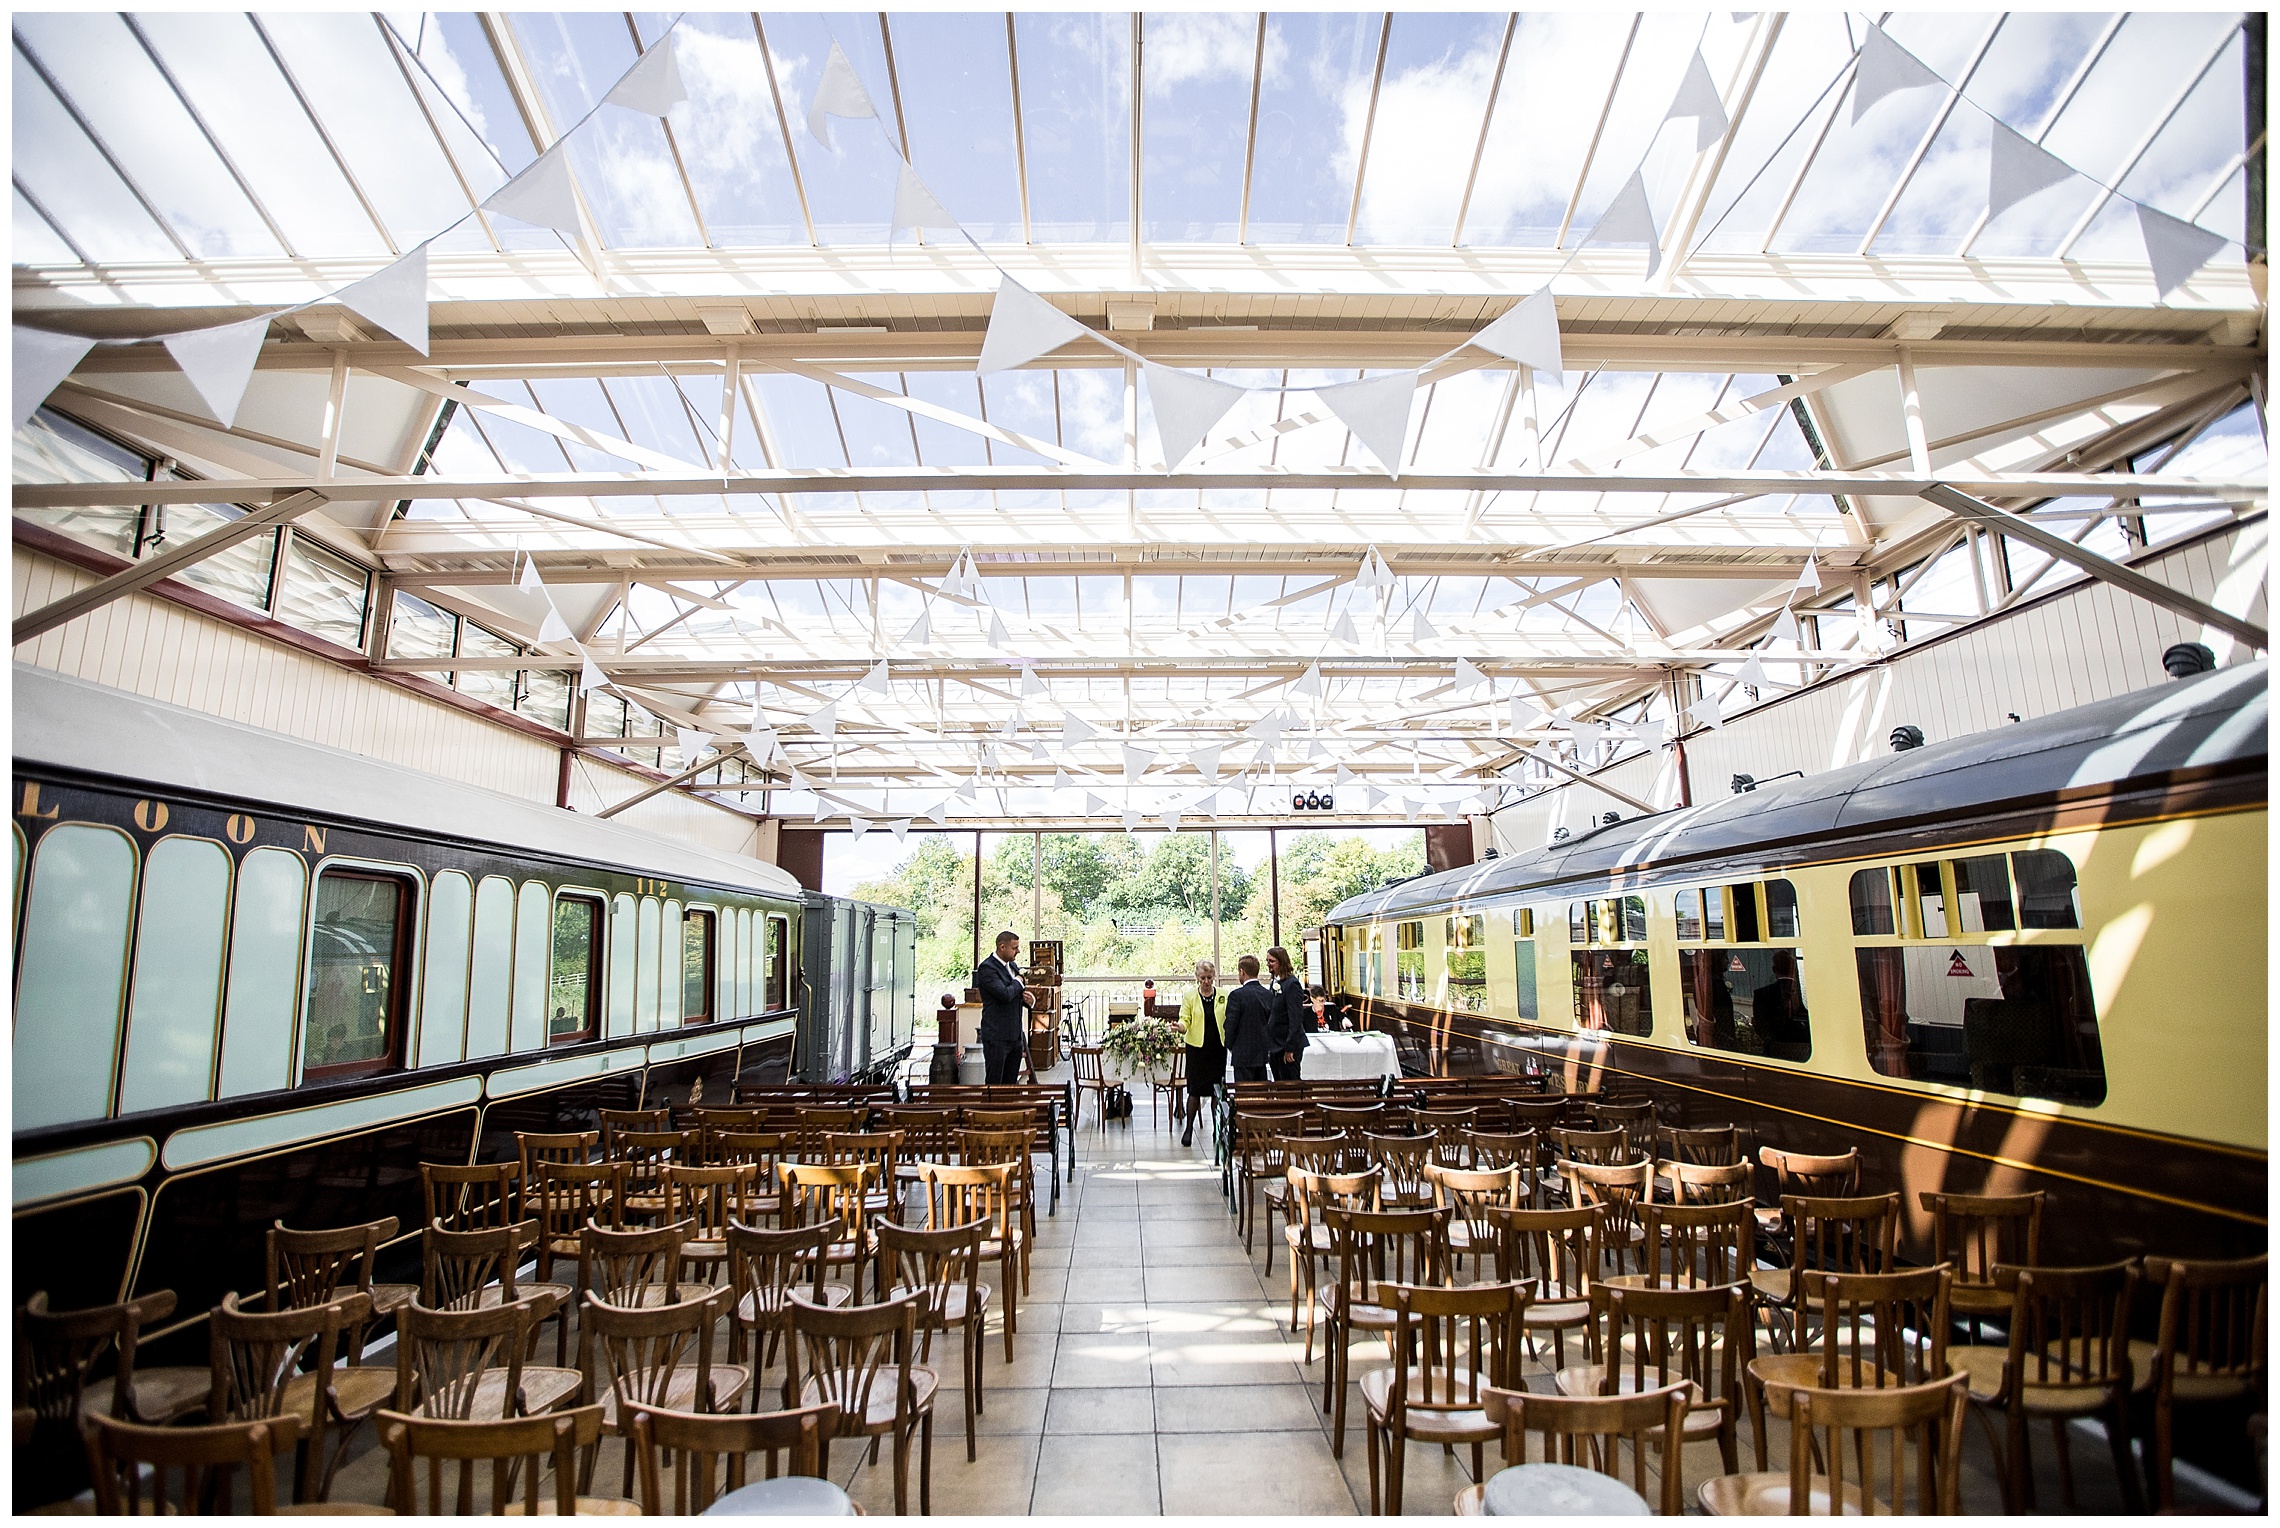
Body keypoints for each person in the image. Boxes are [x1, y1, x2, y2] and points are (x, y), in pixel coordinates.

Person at [1176, 959, 1226, 1148]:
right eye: (1203, 978)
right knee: (1195, 1090)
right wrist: (1180, 1027)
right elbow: (1184, 1018)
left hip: (1217, 1049)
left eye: (1209, 977)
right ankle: (1189, 1128)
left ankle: (1217, 1128)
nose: (1206, 981)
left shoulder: (1223, 995)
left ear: (1214, 977)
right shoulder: (1190, 996)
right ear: (1197, 978)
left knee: (1216, 1091)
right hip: (1197, 1049)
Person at [972, 930, 1033, 1085]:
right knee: (995, 1083)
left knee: (1011, 1083)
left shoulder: (1012, 966)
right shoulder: (987, 969)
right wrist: (1019, 982)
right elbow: (1004, 994)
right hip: (997, 1037)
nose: (1018, 951)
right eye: (1014, 948)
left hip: (1015, 1036)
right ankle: (990, 1110)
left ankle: (1009, 1109)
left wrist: (1028, 1000)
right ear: (1002, 947)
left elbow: (1015, 994)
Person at [1220, 955, 1275, 1083]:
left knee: (1244, 1094)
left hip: (1242, 1054)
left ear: (1241, 971)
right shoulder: (1268, 995)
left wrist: (1229, 1044)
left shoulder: (1237, 996)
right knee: (1261, 1092)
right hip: (1262, 1052)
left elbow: (1230, 1024)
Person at [1264, 945, 1314, 1082]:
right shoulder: (1276, 982)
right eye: (1267, 961)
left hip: (1287, 1044)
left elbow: (1295, 1018)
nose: (1268, 964)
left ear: (1282, 962)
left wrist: (1290, 1048)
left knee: (1290, 1083)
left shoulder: (1292, 984)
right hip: (1275, 1044)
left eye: (1272, 961)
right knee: (1279, 1082)